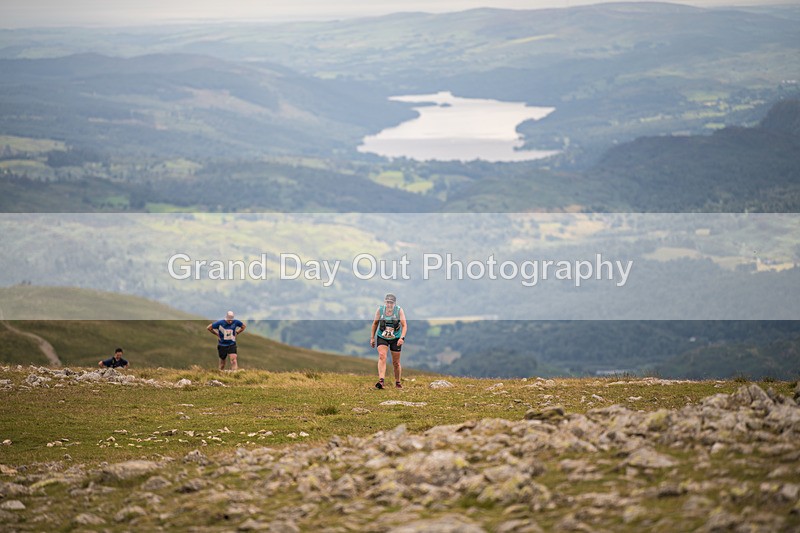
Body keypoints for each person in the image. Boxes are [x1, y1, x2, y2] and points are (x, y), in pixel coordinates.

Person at [370, 293, 407, 389]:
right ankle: (381, 381)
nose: (389, 305)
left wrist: (401, 338)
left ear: (394, 303)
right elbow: (375, 323)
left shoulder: (399, 310)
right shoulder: (380, 310)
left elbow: (404, 325)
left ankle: (398, 382)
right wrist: (372, 338)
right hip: (382, 336)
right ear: (384, 302)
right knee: (382, 356)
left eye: (391, 303)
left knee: (396, 362)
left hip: (396, 338)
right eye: (387, 302)